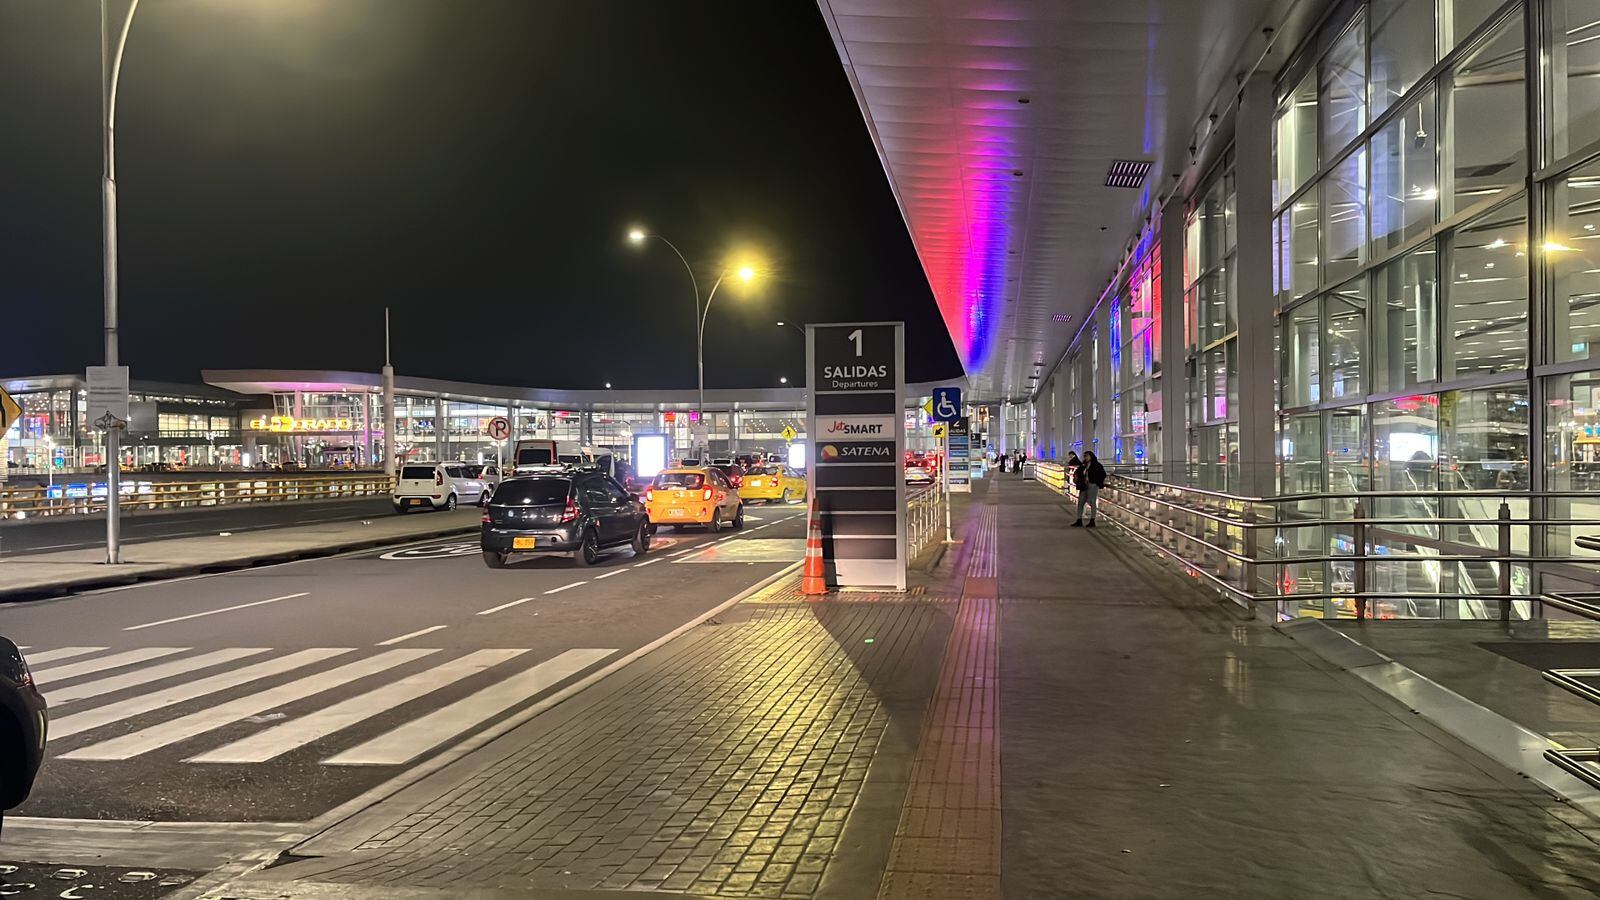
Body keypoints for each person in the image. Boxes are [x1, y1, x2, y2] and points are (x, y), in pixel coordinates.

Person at [1072, 450, 1107, 528]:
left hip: (1093, 485)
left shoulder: (1097, 465)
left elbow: (1103, 474)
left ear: (1091, 456)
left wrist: (1097, 482)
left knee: (1092, 502)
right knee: (1081, 502)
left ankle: (1092, 520)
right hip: (1084, 486)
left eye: (1087, 456)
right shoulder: (1083, 465)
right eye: (1084, 456)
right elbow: (1078, 472)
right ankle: (1079, 520)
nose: (1085, 457)